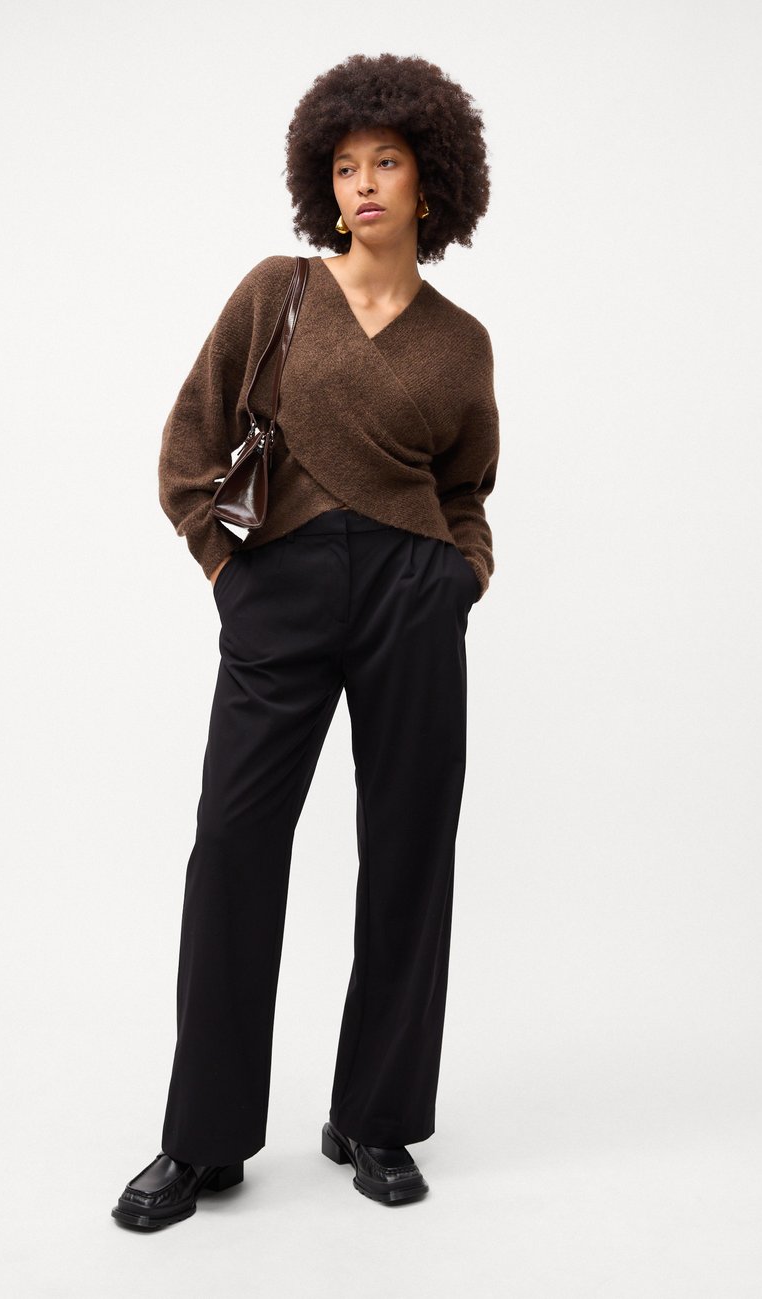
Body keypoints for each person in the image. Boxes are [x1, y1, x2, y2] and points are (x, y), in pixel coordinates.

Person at [112, 51, 500, 1231]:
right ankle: (205, 1141)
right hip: (278, 593)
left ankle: (374, 1119)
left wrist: (461, 576)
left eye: (388, 162)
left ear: (430, 185)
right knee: (234, 847)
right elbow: (188, 448)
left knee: (410, 851)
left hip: (411, 597)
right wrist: (231, 575)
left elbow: (467, 487)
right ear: (322, 186)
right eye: (344, 166)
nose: (364, 183)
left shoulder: (462, 343)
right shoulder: (276, 291)